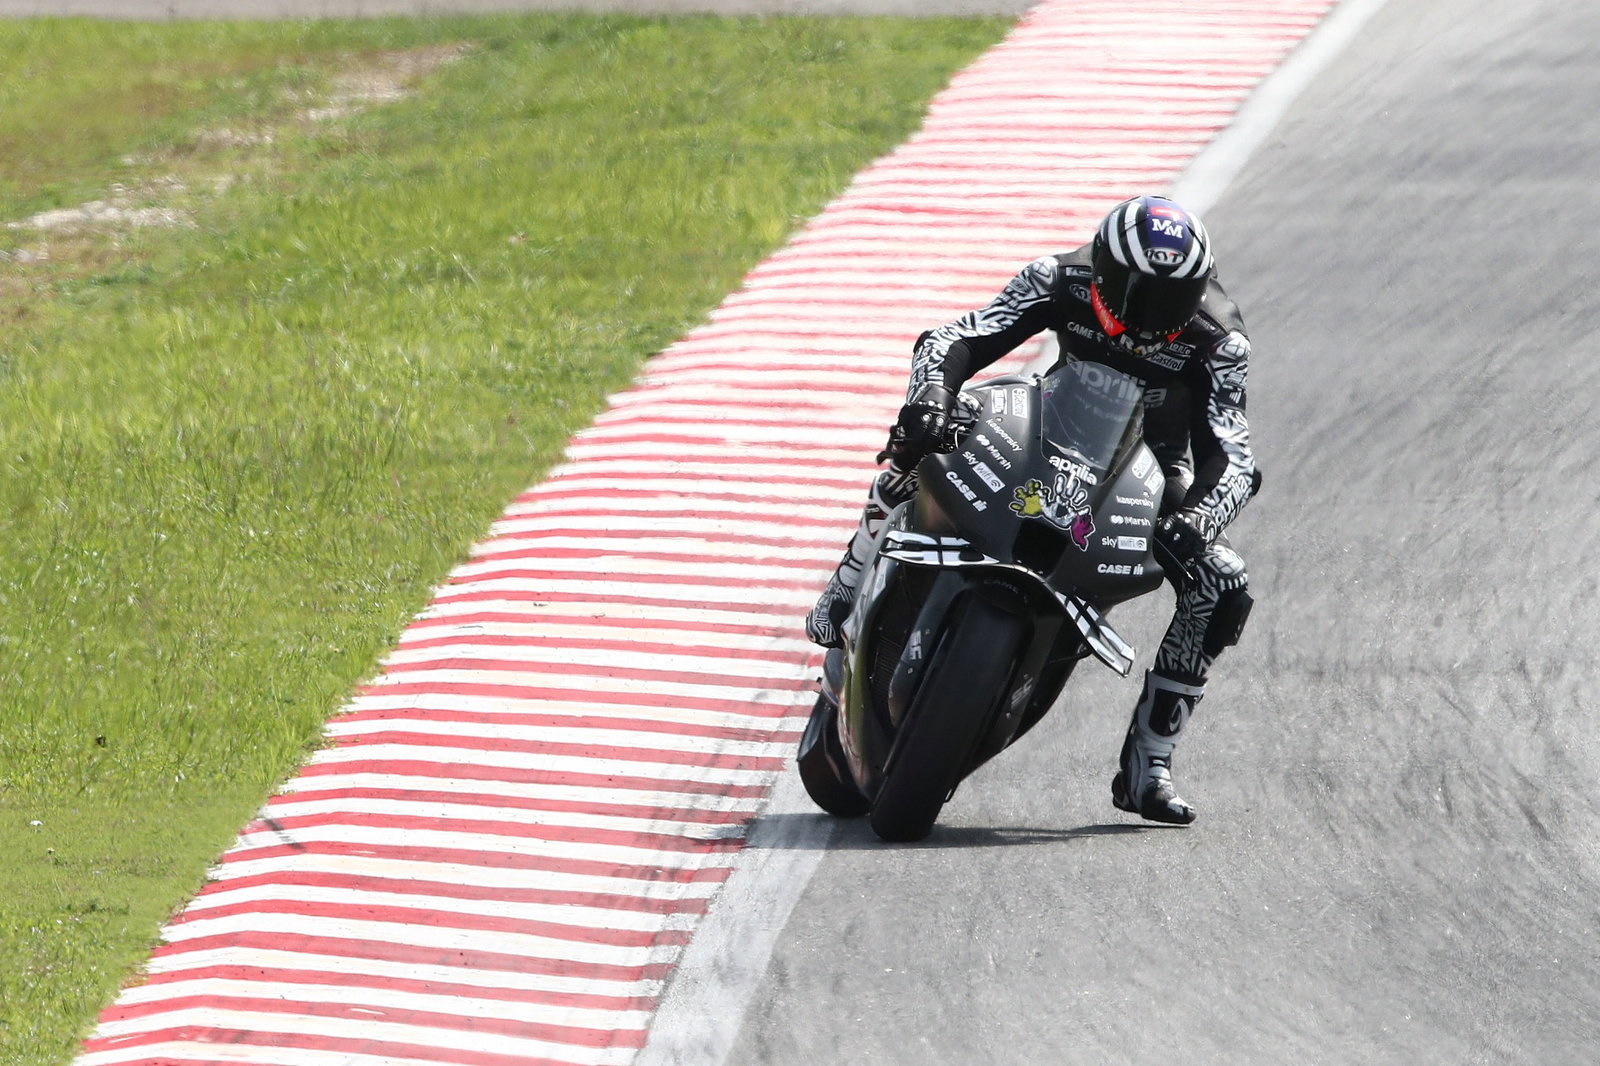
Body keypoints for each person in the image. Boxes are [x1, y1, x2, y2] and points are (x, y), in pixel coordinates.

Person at [804, 194, 1257, 825]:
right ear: (1104, 269)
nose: (1153, 318)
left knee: (1222, 581)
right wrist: (931, 397)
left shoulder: (1220, 341)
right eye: (1138, 293)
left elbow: (1232, 457)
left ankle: (1149, 759)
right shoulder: (1057, 278)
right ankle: (848, 582)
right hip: (1045, 422)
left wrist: (1198, 520)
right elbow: (954, 339)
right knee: (925, 434)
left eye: (1171, 300)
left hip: (1151, 471)